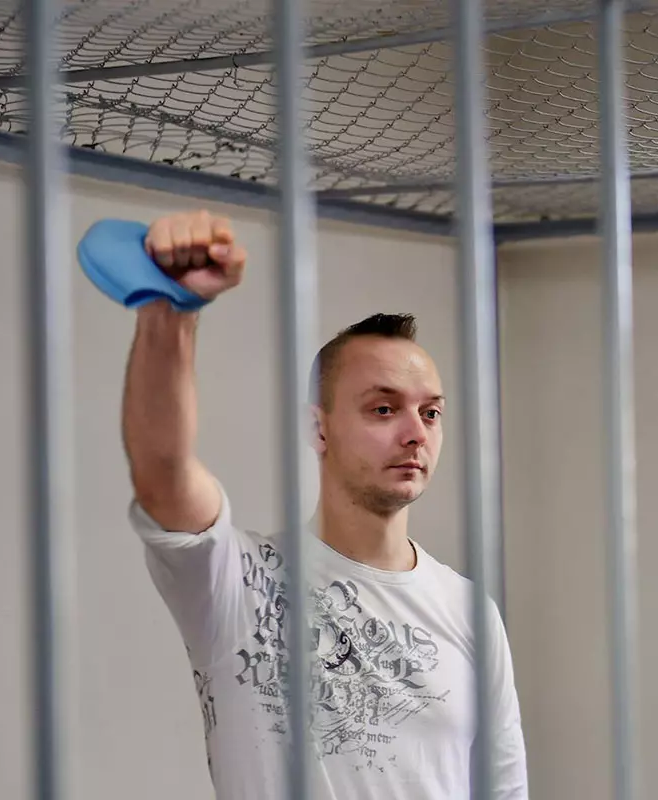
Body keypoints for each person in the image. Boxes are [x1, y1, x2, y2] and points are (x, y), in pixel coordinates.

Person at [120, 209, 528, 799]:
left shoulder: (469, 612)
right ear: (319, 428)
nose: (416, 433)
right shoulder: (239, 583)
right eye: (383, 409)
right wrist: (171, 311)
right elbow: (162, 471)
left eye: (431, 412)